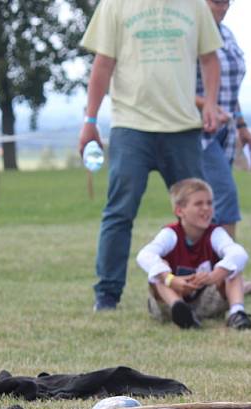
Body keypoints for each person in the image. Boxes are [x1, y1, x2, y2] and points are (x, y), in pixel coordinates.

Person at [79, 0, 223, 312]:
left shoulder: (195, 5)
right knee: (119, 211)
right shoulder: (114, 5)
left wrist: (210, 102)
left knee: (201, 212)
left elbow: (210, 59)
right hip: (131, 127)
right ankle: (107, 294)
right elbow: (102, 64)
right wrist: (90, 121)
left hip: (182, 127)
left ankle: (216, 287)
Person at [136, 179, 251, 330]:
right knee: (159, 268)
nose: (206, 208)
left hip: (206, 300)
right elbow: (144, 255)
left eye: (209, 203)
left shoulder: (215, 233)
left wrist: (215, 275)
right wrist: (171, 279)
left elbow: (238, 253)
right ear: (180, 211)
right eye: (198, 204)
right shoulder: (171, 234)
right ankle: (180, 310)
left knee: (233, 266)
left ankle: (237, 313)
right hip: (169, 303)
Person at [196, 0, 251, 239]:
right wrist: (207, 105)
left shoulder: (227, 34)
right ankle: (229, 272)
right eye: (216, 2)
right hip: (199, 130)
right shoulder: (190, 34)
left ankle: (212, 267)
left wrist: (241, 125)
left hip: (226, 130)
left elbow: (229, 88)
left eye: (227, 2)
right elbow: (175, 86)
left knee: (209, 203)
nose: (222, 8)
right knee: (224, 195)